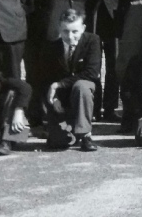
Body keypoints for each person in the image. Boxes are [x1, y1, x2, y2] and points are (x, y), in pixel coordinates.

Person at [39, 9, 101, 152]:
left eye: (75, 31)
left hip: (84, 95)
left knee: (81, 85)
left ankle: (85, 135)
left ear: (83, 28)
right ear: (59, 29)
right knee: (57, 142)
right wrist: (54, 99)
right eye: (65, 31)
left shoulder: (92, 41)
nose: (70, 36)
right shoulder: (51, 47)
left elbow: (91, 73)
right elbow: (44, 78)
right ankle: (72, 127)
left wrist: (60, 84)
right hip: (62, 100)